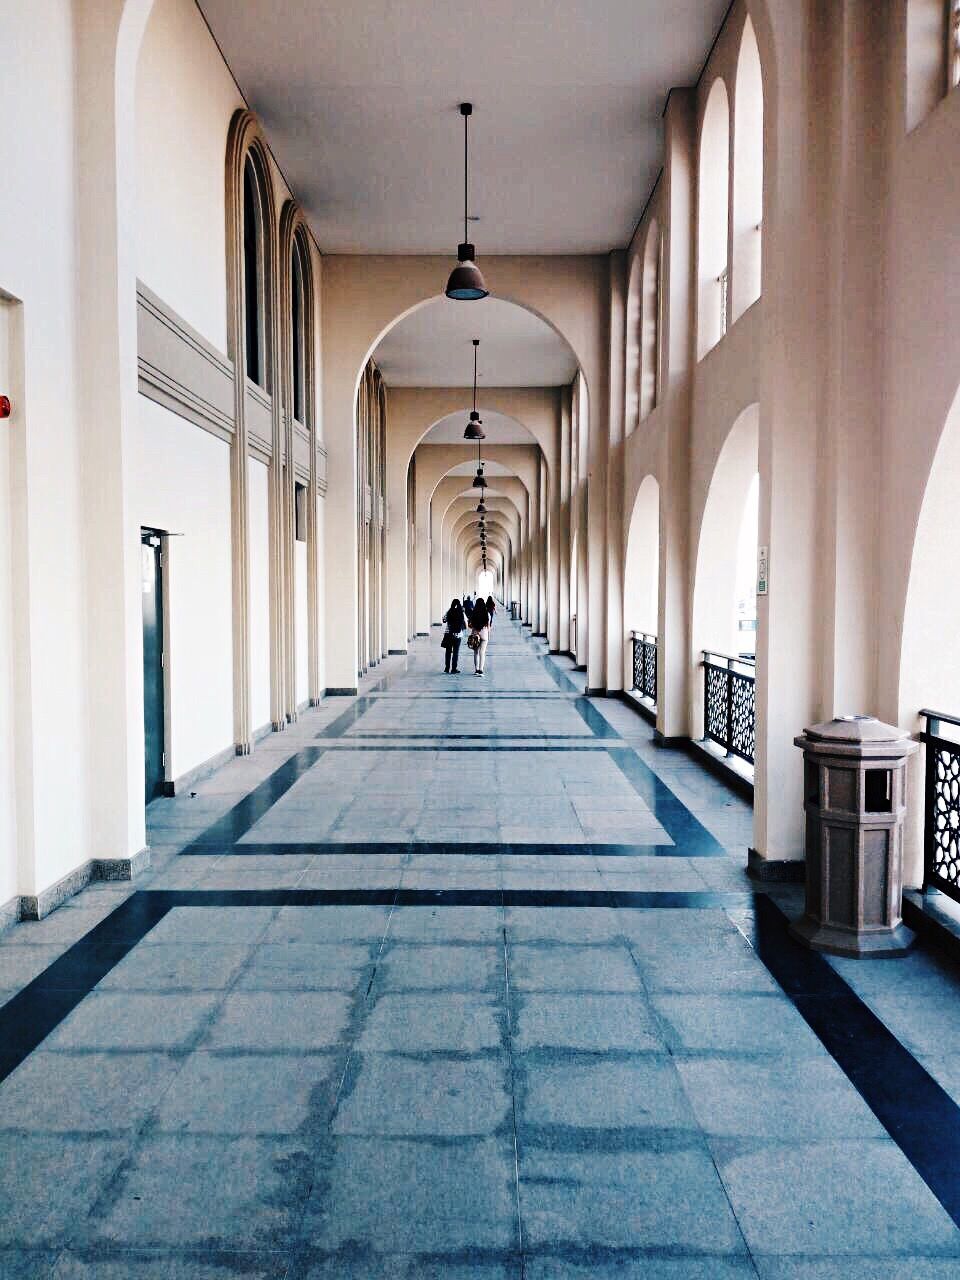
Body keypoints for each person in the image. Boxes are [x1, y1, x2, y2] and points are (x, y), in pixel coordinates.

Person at [442, 597, 465, 674]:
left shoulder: (449, 611)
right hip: (458, 635)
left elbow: (444, 620)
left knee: (448, 651)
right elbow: (465, 623)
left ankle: (447, 668)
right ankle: (454, 669)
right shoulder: (461, 612)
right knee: (455, 652)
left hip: (449, 634)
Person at [469, 595, 490, 676]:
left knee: (476, 653)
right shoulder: (487, 613)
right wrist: (488, 634)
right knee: (482, 652)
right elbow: (488, 626)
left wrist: (474, 628)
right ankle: (481, 670)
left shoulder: (473, 613)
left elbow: (470, 625)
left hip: (475, 634)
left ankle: (476, 670)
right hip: (484, 634)